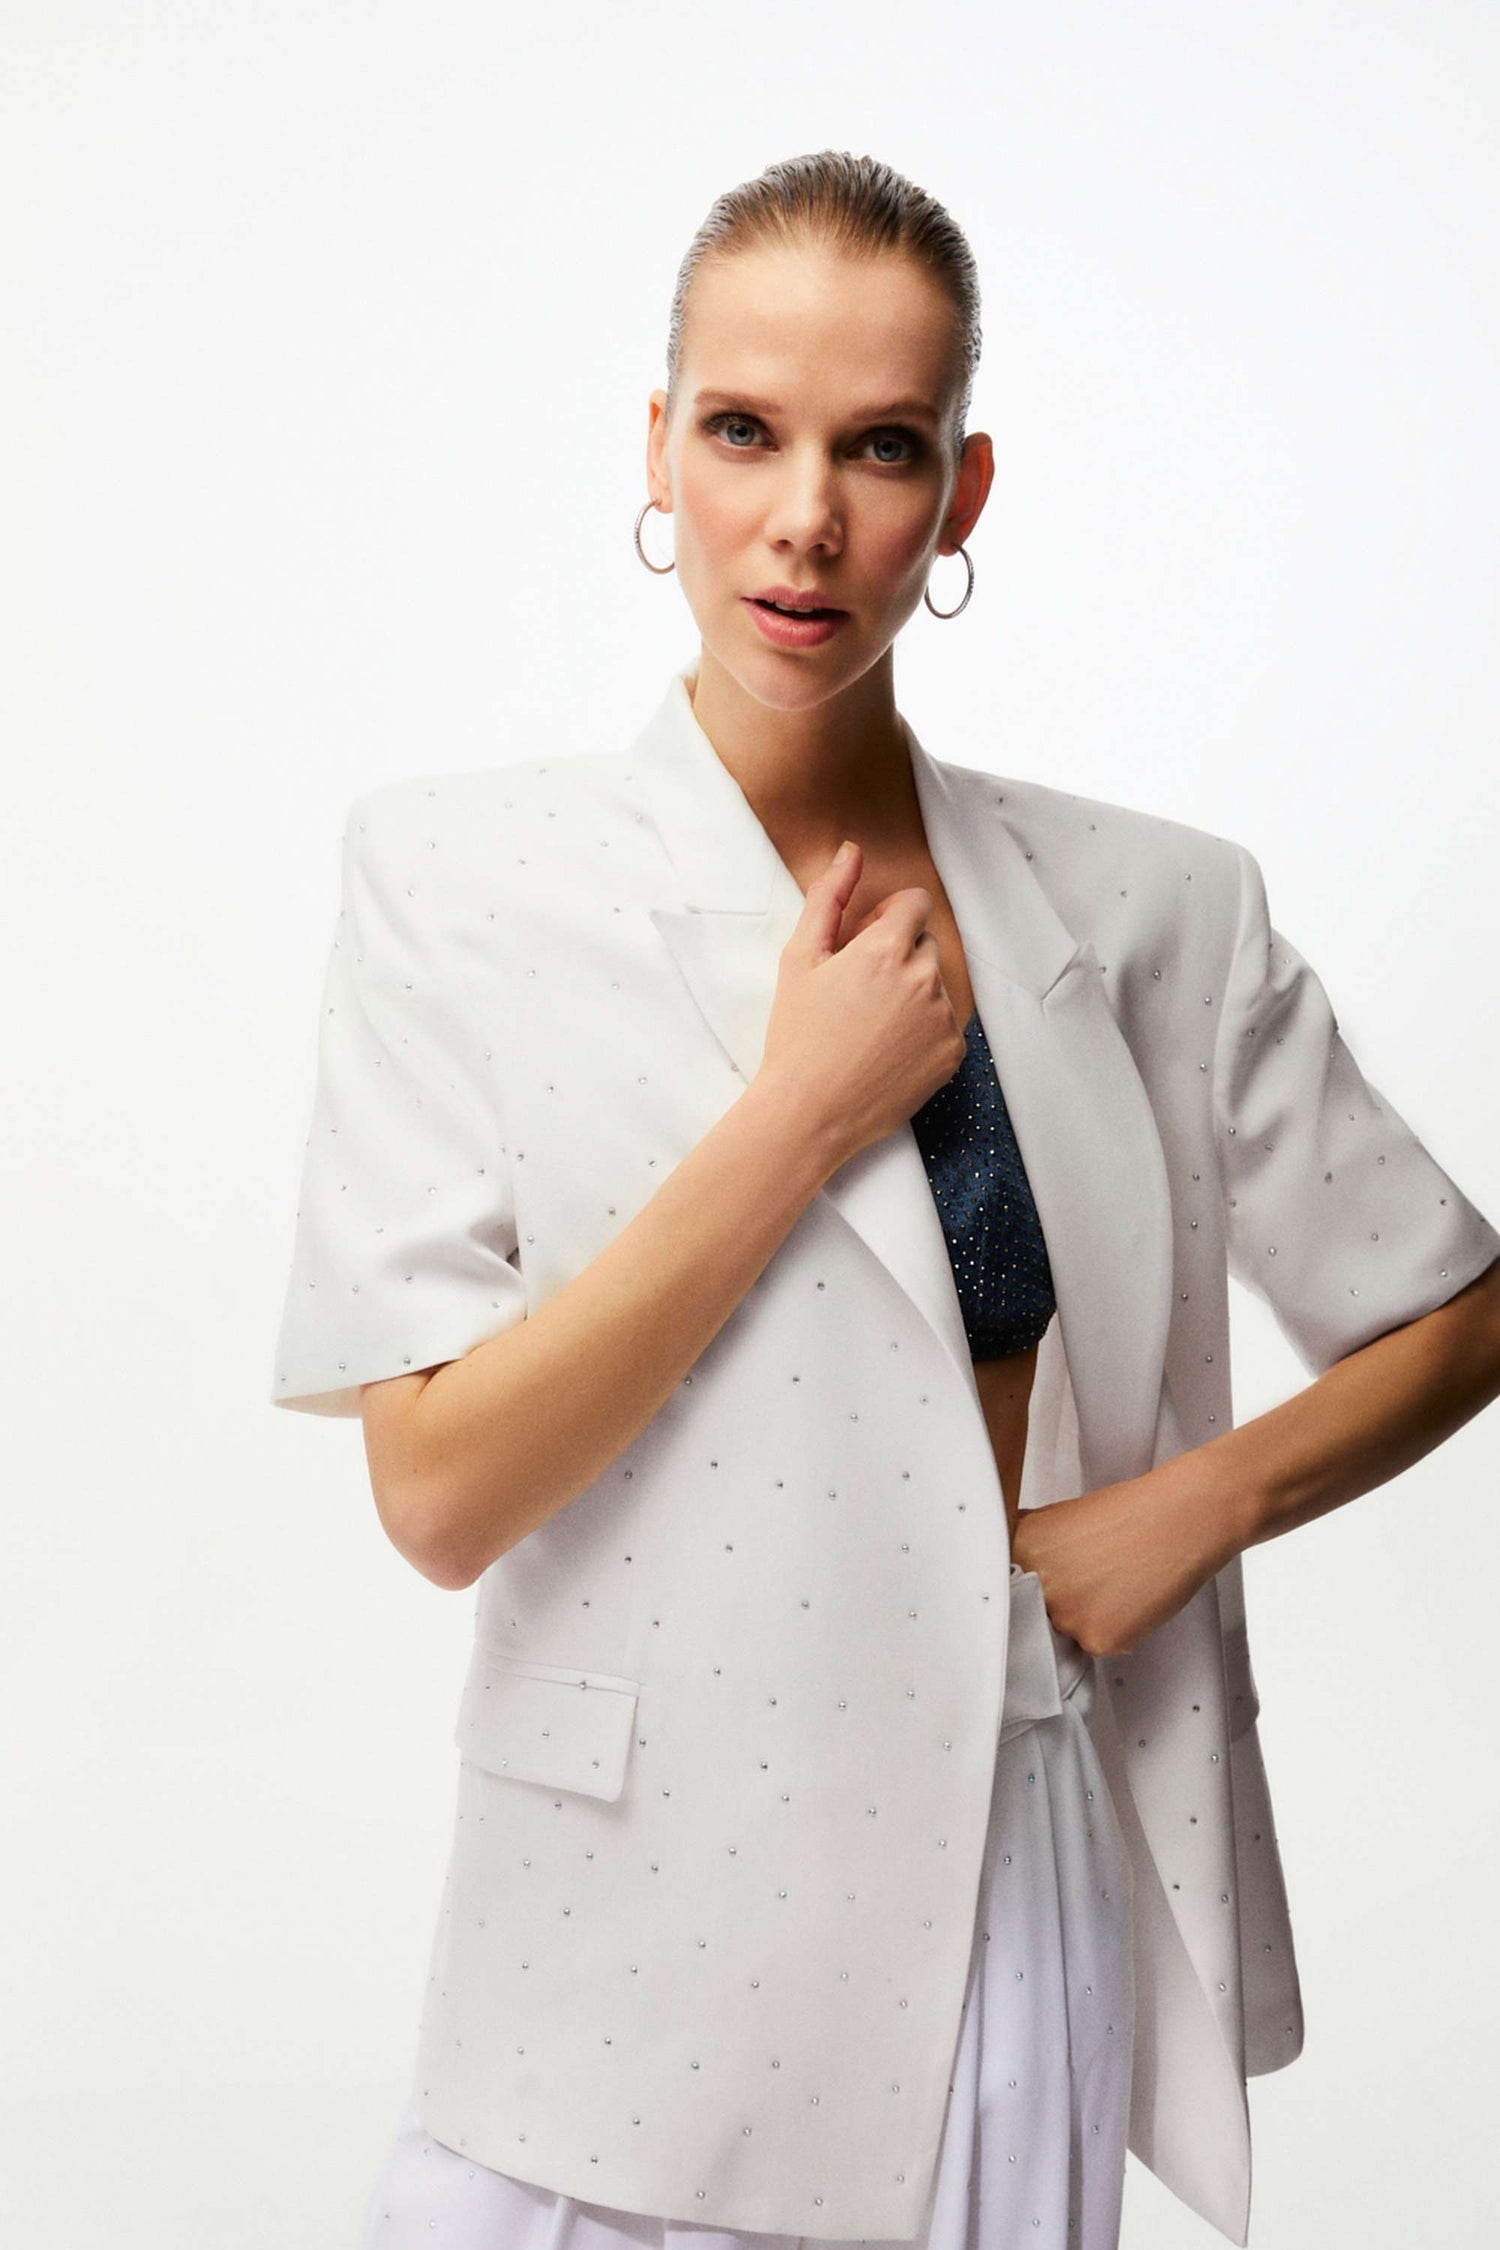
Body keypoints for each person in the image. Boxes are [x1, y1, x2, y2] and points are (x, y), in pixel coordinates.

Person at [269, 152, 1500, 2250]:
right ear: (656, 450)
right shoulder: (461, 885)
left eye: (884, 446)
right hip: (624, 1944)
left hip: (1016, 1871)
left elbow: (1455, 1306)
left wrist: (1187, 1511)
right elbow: (440, 1496)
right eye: (745, 429)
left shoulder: (1155, 908)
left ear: (964, 491)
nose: (806, 518)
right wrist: (795, 1116)